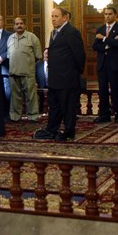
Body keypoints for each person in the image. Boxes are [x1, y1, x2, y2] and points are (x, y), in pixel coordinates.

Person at [34, 8, 85, 141]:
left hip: (67, 78)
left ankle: (69, 131)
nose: (53, 19)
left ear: (65, 17)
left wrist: (76, 73)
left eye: (56, 16)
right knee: (54, 106)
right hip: (55, 77)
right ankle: (51, 129)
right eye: (52, 16)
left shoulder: (72, 32)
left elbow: (79, 55)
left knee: (68, 107)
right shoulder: (53, 33)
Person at [92, 7, 118, 123]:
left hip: (115, 65)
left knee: (116, 90)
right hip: (102, 65)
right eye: (105, 14)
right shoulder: (100, 29)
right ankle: (104, 114)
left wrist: (104, 38)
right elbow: (95, 46)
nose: (107, 16)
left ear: (115, 15)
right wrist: (108, 45)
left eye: (110, 14)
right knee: (102, 90)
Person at [7, 17, 42, 123]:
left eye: (21, 23)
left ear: (25, 25)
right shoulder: (10, 38)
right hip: (13, 72)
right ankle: (15, 117)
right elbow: (9, 56)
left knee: (31, 97)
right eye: (16, 24)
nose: (19, 25)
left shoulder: (32, 37)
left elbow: (38, 56)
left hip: (28, 73)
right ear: (13, 26)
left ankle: (33, 117)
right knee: (14, 97)